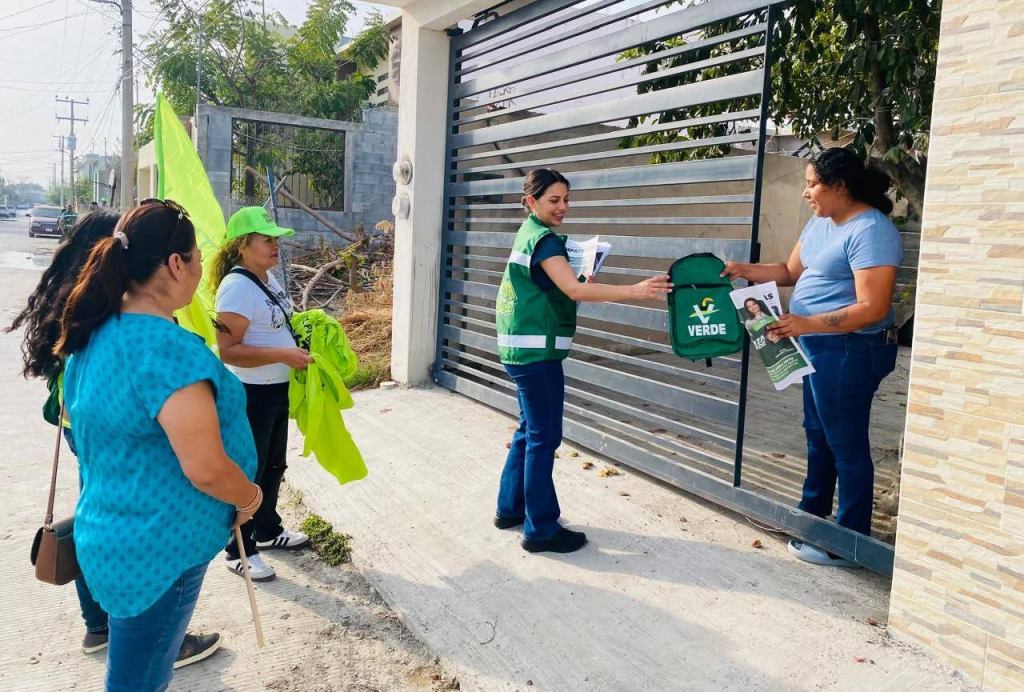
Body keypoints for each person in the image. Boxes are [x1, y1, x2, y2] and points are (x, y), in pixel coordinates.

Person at [55, 199, 261, 691]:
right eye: (197, 260)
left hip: (111, 536)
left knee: (135, 668)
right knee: (138, 681)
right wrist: (249, 498)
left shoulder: (94, 333)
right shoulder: (164, 351)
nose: (200, 271)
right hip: (158, 552)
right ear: (175, 264)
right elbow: (206, 468)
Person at [7, 211, 218, 666]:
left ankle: (100, 625)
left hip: (84, 420)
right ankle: (147, 630)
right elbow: (203, 466)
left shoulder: (85, 297)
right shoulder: (113, 310)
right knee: (122, 516)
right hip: (108, 422)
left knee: (99, 509)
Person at [722, 147, 902, 567]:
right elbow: (789, 272)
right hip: (817, 343)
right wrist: (743, 269)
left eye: (812, 184)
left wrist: (806, 323)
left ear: (839, 186)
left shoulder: (871, 230)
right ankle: (813, 517)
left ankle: (849, 541)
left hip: (851, 348)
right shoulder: (821, 221)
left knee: (844, 442)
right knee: (817, 433)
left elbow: (872, 308)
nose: (806, 193)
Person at [495, 169, 673, 554]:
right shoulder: (544, 241)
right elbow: (573, 290)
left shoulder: (530, 233)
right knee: (544, 437)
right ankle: (541, 529)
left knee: (529, 430)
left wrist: (578, 282)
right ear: (531, 201)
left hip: (521, 350)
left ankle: (510, 509)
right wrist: (636, 291)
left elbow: (561, 287)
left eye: (566, 199)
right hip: (536, 354)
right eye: (554, 200)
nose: (563, 207)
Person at [210, 206, 312, 582]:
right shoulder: (237, 287)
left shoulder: (267, 278)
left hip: (276, 389)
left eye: (276, 239)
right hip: (250, 393)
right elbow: (228, 350)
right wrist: (282, 355)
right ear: (242, 245)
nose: (275, 245)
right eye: (266, 239)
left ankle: (267, 529)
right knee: (248, 470)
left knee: (273, 465)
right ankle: (239, 549)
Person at [740, 297, 794, 363]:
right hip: (769, 347)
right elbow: (754, 336)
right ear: (747, 309)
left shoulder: (771, 313)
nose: (752, 307)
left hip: (785, 342)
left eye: (754, 304)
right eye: (749, 307)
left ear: (758, 304)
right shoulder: (749, 322)